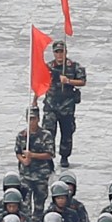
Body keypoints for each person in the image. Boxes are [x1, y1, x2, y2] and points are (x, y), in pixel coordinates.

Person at [38, 40, 87, 168]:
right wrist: (34, 100)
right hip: (51, 105)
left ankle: (64, 156)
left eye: (62, 52)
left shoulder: (73, 66)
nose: (59, 55)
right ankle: (48, 156)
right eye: (57, 52)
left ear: (66, 52)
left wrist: (69, 81)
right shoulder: (48, 67)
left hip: (67, 106)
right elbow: (40, 84)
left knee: (67, 132)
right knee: (48, 132)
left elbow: (82, 81)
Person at [14, 106, 55, 218]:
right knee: (25, 205)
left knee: (39, 205)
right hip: (26, 174)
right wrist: (23, 160)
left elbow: (49, 154)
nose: (31, 121)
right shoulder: (22, 135)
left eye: (34, 118)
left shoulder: (46, 135)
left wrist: (32, 155)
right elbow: (18, 152)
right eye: (29, 119)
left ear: (38, 119)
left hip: (41, 175)